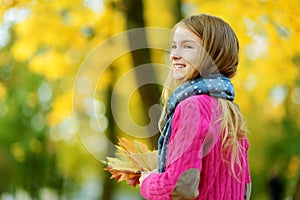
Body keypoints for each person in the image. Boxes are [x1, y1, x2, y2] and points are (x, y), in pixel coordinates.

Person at [139, 13, 251, 200]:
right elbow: (245, 189)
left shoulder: (192, 107)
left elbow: (179, 187)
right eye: (174, 46)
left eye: (187, 46)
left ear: (213, 55)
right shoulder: (231, 112)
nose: (174, 55)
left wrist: (148, 182)